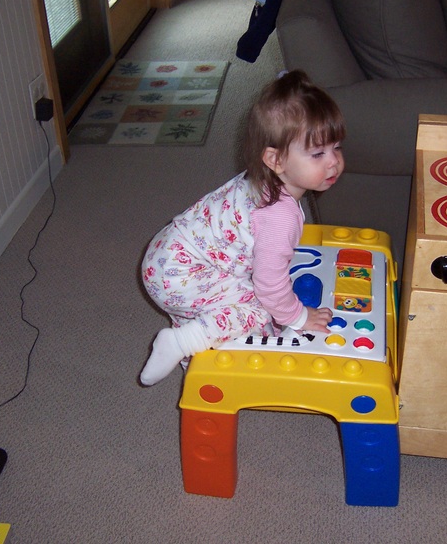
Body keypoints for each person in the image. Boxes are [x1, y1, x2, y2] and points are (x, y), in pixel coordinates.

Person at [139, 70, 345, 386]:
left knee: (215, 305)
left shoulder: (261, 179)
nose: (333, 162)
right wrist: (298, 316)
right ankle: (180, 342)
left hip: (167, 255)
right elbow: (270, 287)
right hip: (181, 274)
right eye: (318, 153)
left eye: (336, 148)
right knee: (260, 308)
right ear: (275, 160)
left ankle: (197, 359)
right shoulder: (279, 217)